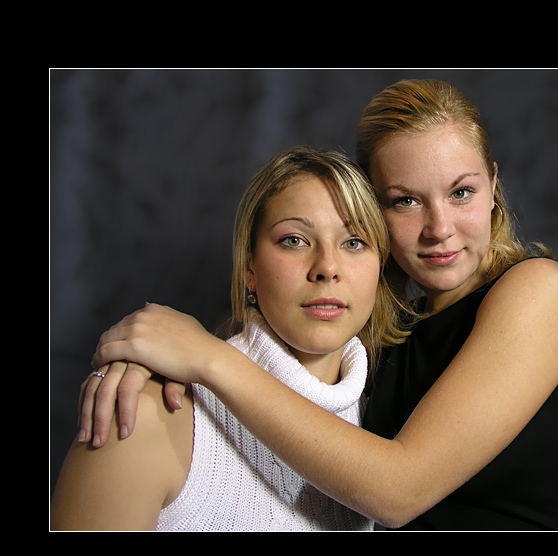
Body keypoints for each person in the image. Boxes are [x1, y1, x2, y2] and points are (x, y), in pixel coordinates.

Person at [74, 79, 558, 530]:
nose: (439, 228)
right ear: (377, 214)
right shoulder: (377, 347)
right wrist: (146, 363)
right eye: (405, 200)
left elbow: (398, 491)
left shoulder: (540, 292)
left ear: (493, 186)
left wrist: (204, 357)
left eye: (461, 192)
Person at [50, 146, 410, 531]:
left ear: (380, 267)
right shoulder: (144, 413)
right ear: (249, 268)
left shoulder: (394, 417)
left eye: (354, 242)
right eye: (294, 240)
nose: (327, 267)